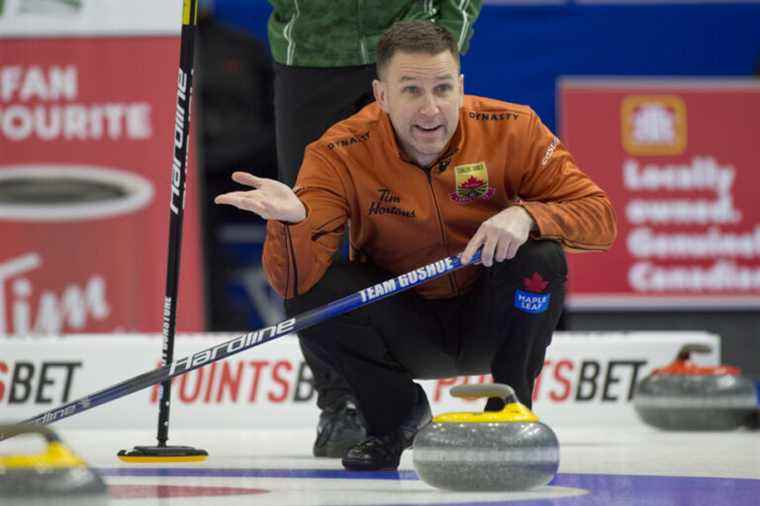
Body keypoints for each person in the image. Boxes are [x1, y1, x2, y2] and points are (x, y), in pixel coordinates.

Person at [216, 20, 617, 471]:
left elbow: (600, 219)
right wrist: (292, 223)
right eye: (411, 91)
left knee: (541, 256)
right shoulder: (340, 151)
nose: (431, 109)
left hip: (495, 320)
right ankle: (394, 418)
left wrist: (528, 215)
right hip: (405, 325)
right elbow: (293, 282)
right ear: (382, 95)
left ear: (461, 87)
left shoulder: (514, 128)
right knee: (317, 293)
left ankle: (510, 411)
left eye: (443, 89)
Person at [266, 0, 483, 459]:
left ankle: (399, 387)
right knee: (305, 230)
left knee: (419, 216)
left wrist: (448, 33)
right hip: (311, 52)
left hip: (412, 50)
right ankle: (340, 402)